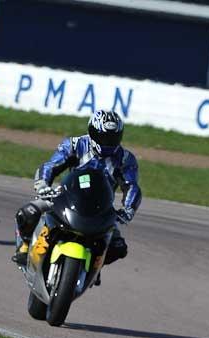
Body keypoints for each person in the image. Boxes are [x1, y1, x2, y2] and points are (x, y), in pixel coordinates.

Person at [13, 110, 141, 267]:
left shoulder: (125, 159)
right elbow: (51, 165)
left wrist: (128, 210)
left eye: (112, 138)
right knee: (26, 213)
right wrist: (43, 185)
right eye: (103, 137)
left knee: (118, 247)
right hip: (65, 197)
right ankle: (24, 247)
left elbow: (132, 186)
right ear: (92, 132)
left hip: (102, 209)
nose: (107, 142)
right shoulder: (75, 144)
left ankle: (94, 267)